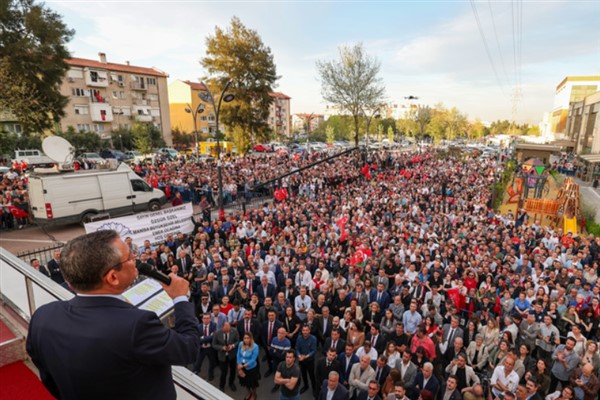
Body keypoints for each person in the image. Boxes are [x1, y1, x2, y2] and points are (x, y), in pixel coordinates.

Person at [26, 230, 199, 400]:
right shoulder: (136, 325)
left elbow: (46, 374)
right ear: (113, 277)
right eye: (130, 257)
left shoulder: (43, 316)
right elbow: (188, 348)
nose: (136, 261)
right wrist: (180, 298)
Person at [213, 321, 240, 392]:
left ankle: (231, 383)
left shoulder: (234, 331)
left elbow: (238, 341)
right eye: (227, 329)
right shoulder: (217, 333)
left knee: (233, 371)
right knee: (224, 372)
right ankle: (222, 386)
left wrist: (233, 346)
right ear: (222, 327)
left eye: (229, 328)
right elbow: (214, 345)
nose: (229, 330)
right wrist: (222, 348)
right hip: (222, 356)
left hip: (232, 355)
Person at [237, 332, 260, 400]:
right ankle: (249, 392)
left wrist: (244, 366)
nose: (246, 340)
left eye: (247, 338)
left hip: (251, 368)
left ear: (251, 338)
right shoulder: (241, 344)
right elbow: (238, 354)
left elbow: (253, 359)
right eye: (245, 338)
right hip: (241, 365)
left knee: (252, 383)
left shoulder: (255, 346)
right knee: (245, 382)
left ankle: (254, 394)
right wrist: (239, 364)